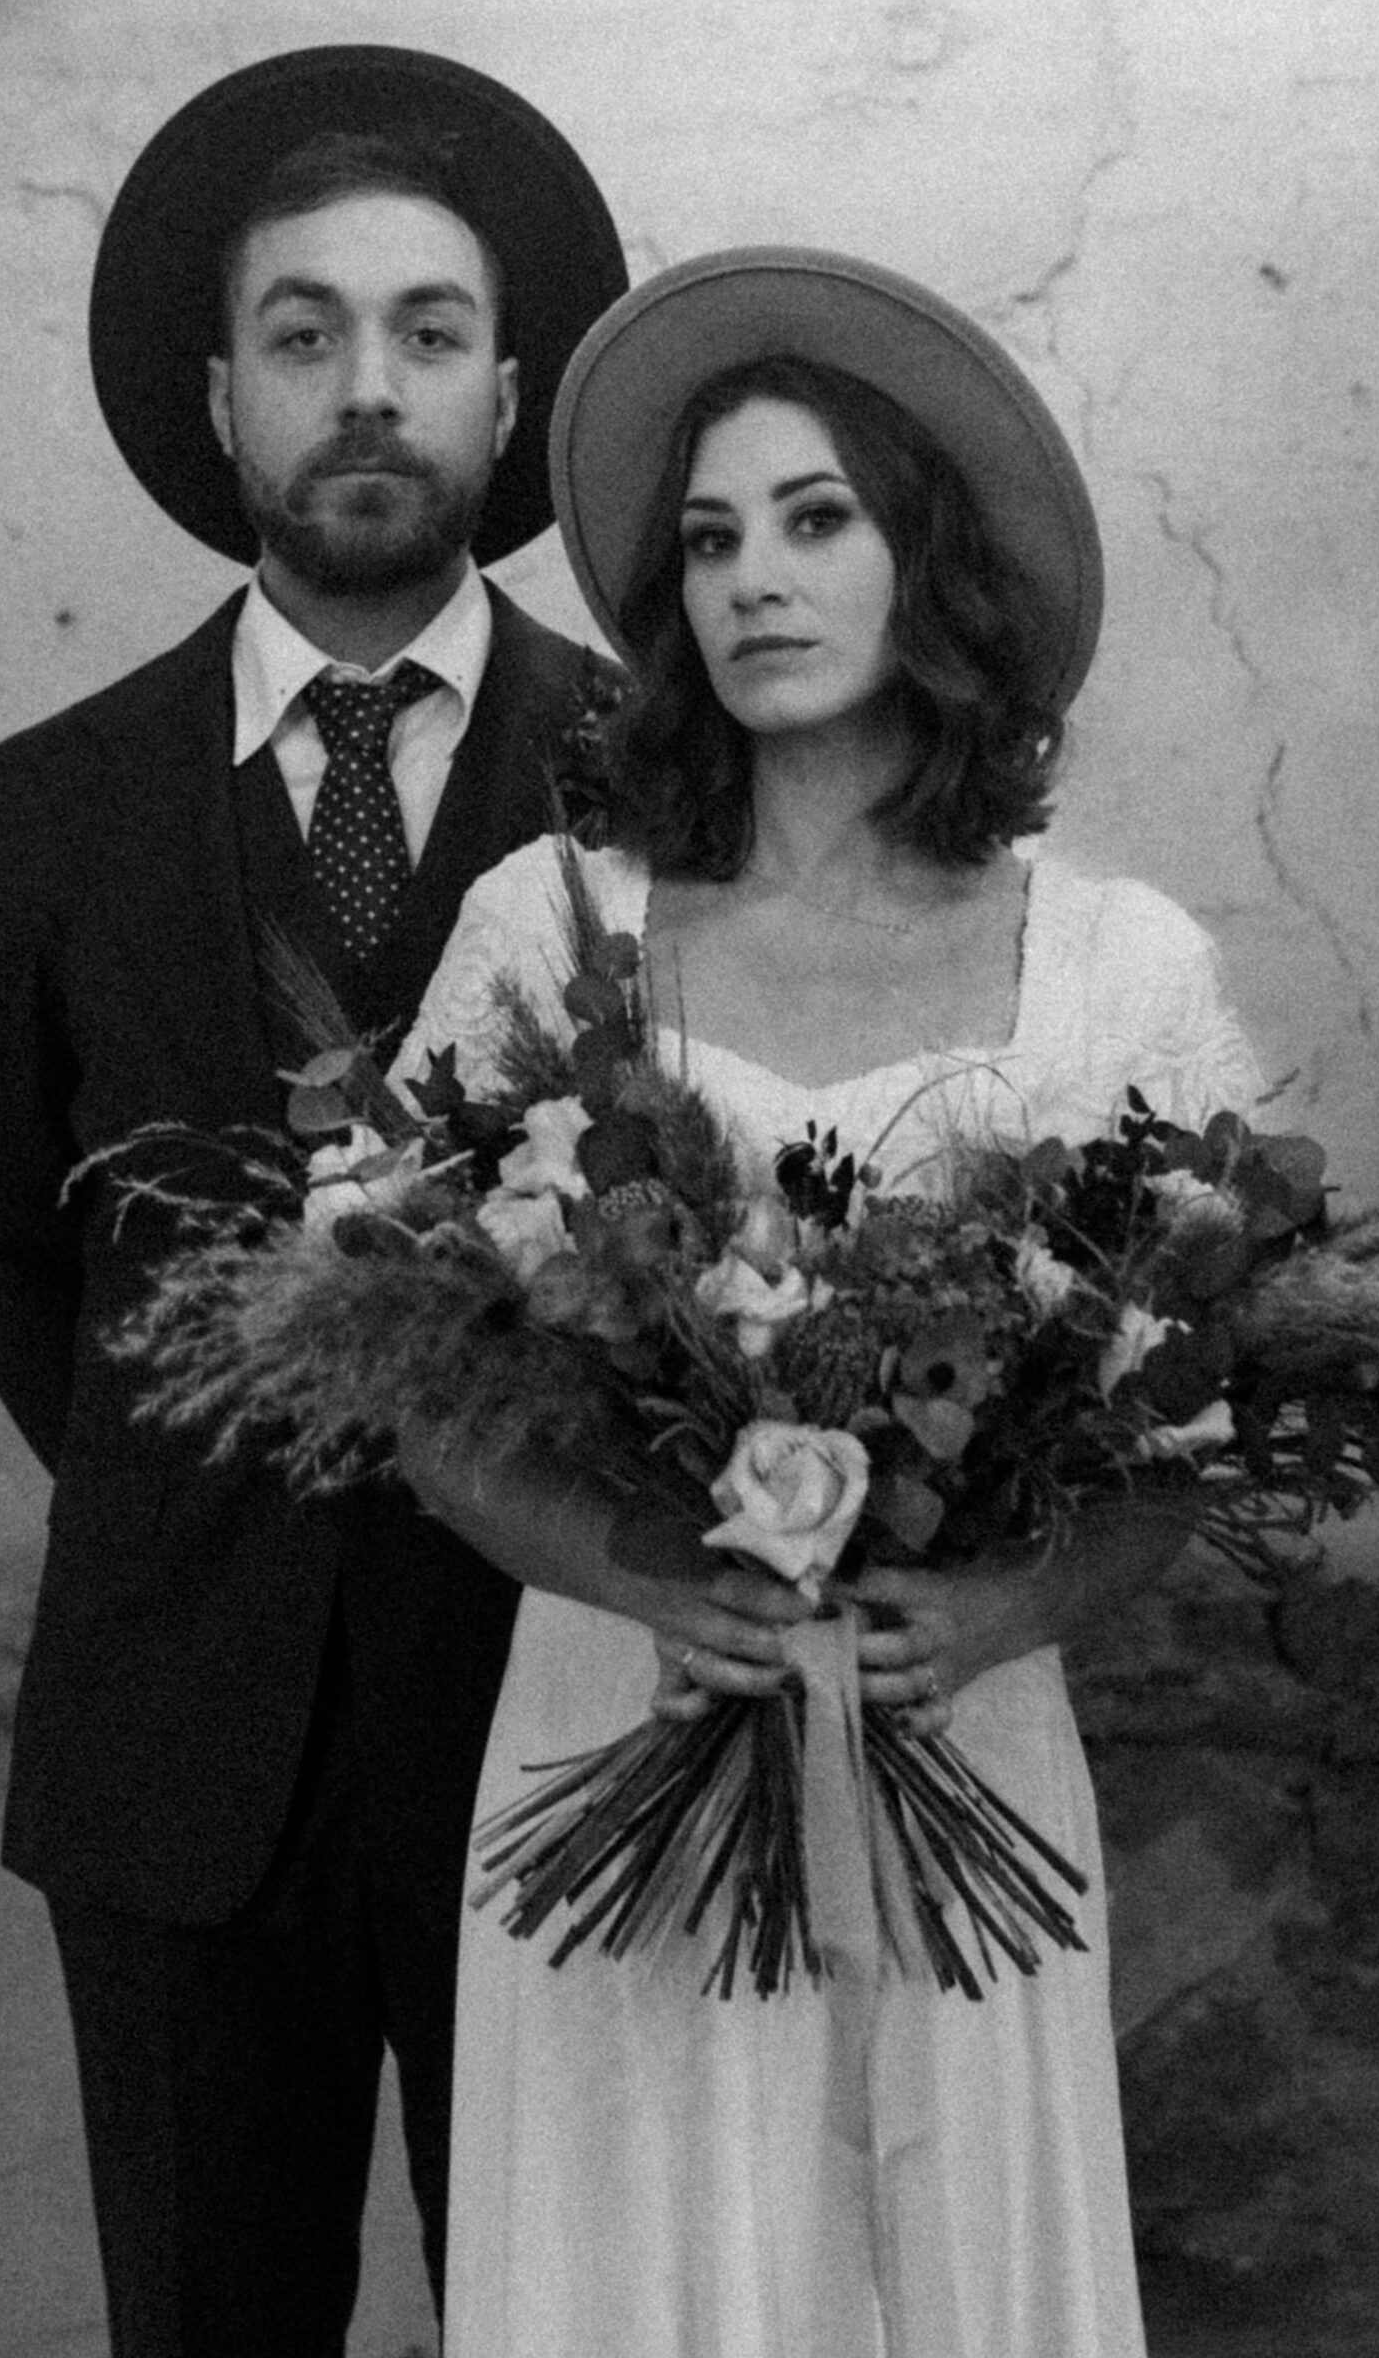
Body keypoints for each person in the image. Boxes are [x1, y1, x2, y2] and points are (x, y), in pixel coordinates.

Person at [392, 248, 1267, 2357]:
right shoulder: (548, 926)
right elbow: (417, 1374)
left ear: (926, 569)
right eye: (709, 541)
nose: (752, 581)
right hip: (623, 1716)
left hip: (952, 1731)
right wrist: (627, 1568)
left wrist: (999, 1607)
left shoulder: (1117, 966)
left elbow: (1191, 1423)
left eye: (814, 520)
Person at [0, 45, 626, 2357]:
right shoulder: (50, 808)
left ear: (506, 395)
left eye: (427, 330)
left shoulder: (659, 784)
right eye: (302, 333)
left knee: (576, 2315)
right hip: (174, 1741)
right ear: (221, 400)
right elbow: (7, 1243)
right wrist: (203, 1477)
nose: (365, 385)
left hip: (565, 1711)